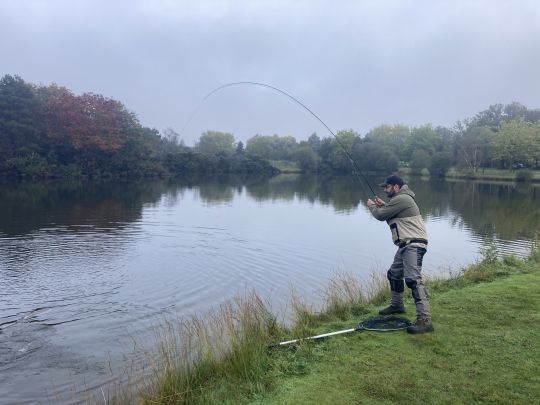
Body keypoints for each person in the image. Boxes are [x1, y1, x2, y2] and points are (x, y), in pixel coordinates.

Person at [367, 175, 434, 334]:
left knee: (413, 281)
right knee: (394, 274)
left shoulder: (403, 198)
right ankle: (397, 305)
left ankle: (425, 321)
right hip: (405, 245)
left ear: (396, 187)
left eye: (387, 187)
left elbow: (380, 215)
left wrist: (372, 206)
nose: (384, 189)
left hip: (413, 245)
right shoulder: (401, 200)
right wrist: (384, 205)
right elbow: (391, 214)